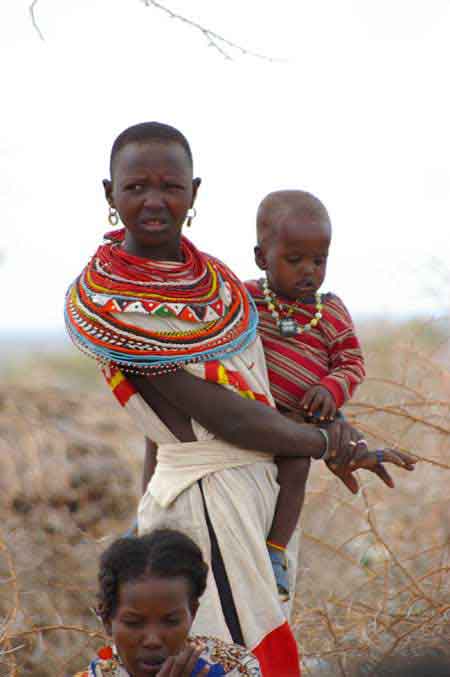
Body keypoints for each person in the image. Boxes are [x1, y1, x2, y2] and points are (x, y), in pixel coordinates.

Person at [65, 121, 416, 677]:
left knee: (252, 647)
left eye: (170, 186)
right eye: (136, 187)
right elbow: (218, 413)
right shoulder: (114, 300)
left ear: (194, 193)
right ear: (109, 195)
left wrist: (337, 429)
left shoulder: (217, 284)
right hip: (208, 499)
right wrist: (323, 443)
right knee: (227, 655)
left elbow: (269, 387)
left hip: (255, 495)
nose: (155, 200)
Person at [245, 189, 366, 600]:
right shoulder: (247, 301)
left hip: (301, 422)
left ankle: (275, 551)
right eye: (294, 260)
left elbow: (352, 363)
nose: (309, 271)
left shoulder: (329, 311)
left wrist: (331, 389)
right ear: (262, 258)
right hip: (252, 421)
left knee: (295, 469)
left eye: (319, 260)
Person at [74, 528, 262, 676]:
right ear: (107, 619)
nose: (153, 641)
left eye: (171, 621)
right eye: (134, 623)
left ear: (193, 612)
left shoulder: (235, 668)